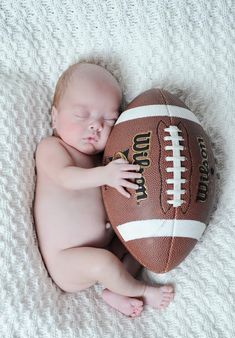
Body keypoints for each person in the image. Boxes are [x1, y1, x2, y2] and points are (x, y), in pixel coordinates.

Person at [33, 62, 175, 317]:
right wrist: (106, 174)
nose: (96, 126)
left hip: (105, 244)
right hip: (67, 261)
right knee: (104, 263)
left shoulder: (103, 159)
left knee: (136, 244)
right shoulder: (52, 149)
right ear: (54, 116)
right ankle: (141, 290)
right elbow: (66, 178)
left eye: (109, 120)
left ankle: (117, 289)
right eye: (81, 114)